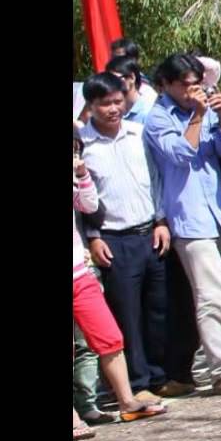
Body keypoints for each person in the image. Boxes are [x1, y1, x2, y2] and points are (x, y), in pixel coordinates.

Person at [142, 54, 221, 395]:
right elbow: (179, 154)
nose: (192, 90)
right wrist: (197, 115)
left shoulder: (206, 109)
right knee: (211, 295)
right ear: (165, 84)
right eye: (184, 84)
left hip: (218, 213)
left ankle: (218, 357)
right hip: (188, 218)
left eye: (196, 83)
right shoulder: (158, 118)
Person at [79, 72, 171, 404]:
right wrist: (93, 236)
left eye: (119, 101)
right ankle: (137, 382)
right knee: (127, 315)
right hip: (113, 239)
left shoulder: (138, 134)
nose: (114, 109)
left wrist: (161, 220)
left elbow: (155, 180)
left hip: (150, 232)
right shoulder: (84, 146)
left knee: (157, 310)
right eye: (106, 104)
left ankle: (160, 376)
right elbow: (84, 201)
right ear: (91, 105)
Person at [73, 156, 167, 439]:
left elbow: (90, 206)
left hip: (79, 273)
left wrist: (82, 174)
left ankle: (127, 402)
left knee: (109, 336)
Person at [104, 55, 157, 123]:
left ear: (132, 78)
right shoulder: (113, 111)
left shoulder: (149, 111)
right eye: (108, 80)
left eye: (115, 79)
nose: (111, 84)